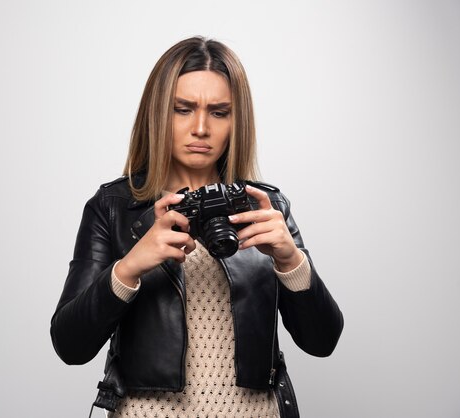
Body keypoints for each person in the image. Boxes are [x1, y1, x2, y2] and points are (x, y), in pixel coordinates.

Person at [50, 36, 344, 418]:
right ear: (158, 114)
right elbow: (70, 346)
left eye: (219, 112)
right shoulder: (113, 208)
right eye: (183, 109)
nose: (201, 128)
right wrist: (129, 268)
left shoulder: (265, 207)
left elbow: (321, 341)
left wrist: (291, 261)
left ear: (237, 121)